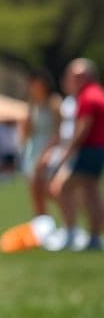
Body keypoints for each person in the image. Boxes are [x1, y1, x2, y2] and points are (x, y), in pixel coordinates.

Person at [49, 58, 104, 251]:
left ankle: (71, 233)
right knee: (90, 193)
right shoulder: (97, 94)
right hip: (97, 150)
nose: (69, 79)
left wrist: (67, 153)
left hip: (88, 150)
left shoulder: (87, 97)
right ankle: (94, 238)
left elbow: (82, 130)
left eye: (73, 75)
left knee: (60, 187)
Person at [20, 69, 61, 218]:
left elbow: (60, 131)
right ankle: (42, 223)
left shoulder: (54, 103)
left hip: (50, 148)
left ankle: (70, 221)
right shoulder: (32, 104)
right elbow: (28, 132)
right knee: (35, 190)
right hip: (33, 148)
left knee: (51, 190)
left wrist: (47, 153)